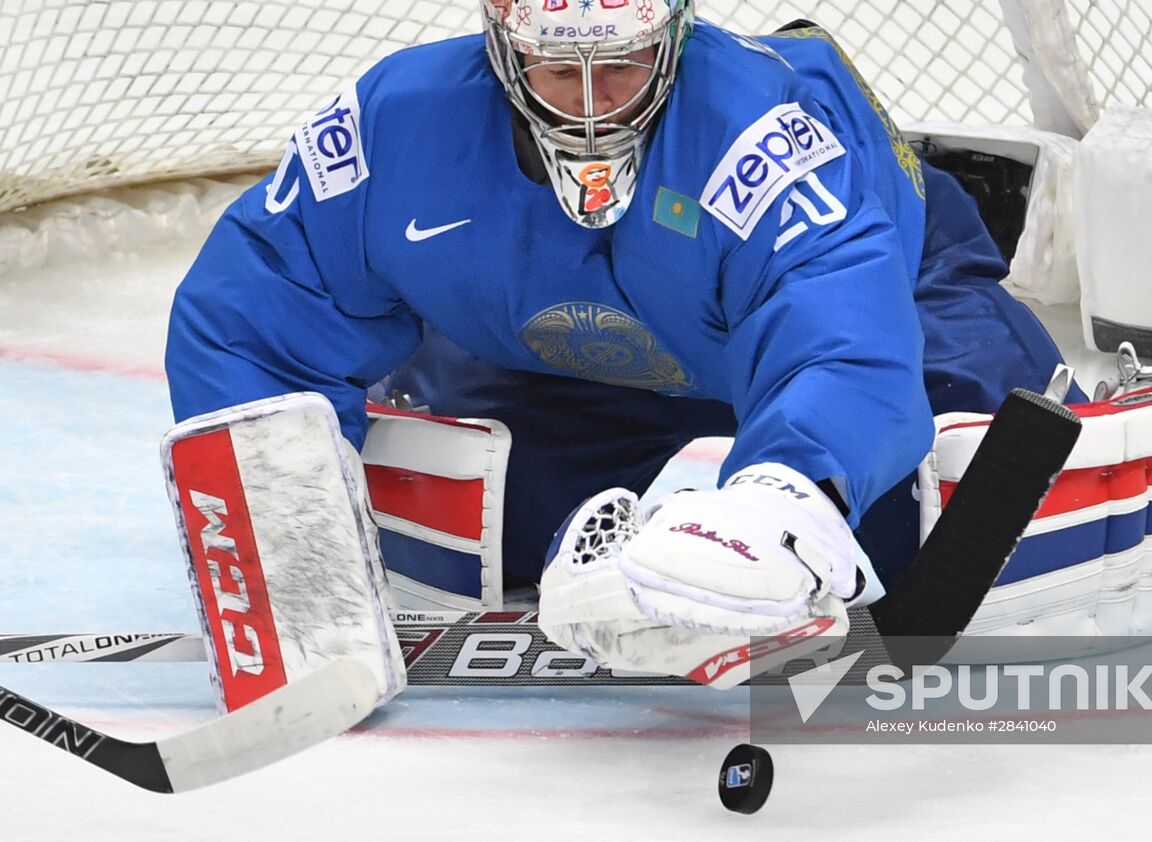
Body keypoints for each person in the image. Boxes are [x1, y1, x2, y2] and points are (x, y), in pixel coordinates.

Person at [165, 0, 1082, 679]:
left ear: (674, 40)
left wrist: (782, 492)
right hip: (557, 351)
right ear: (502, 49)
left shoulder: (762, 132)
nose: (594, 108)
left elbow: (838, 326)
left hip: (890, 290)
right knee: (493, 522)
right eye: (561, 72)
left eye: (625, 67)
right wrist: (283, 535)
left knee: (943, 490)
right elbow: (257, 309)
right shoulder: (393, 124)